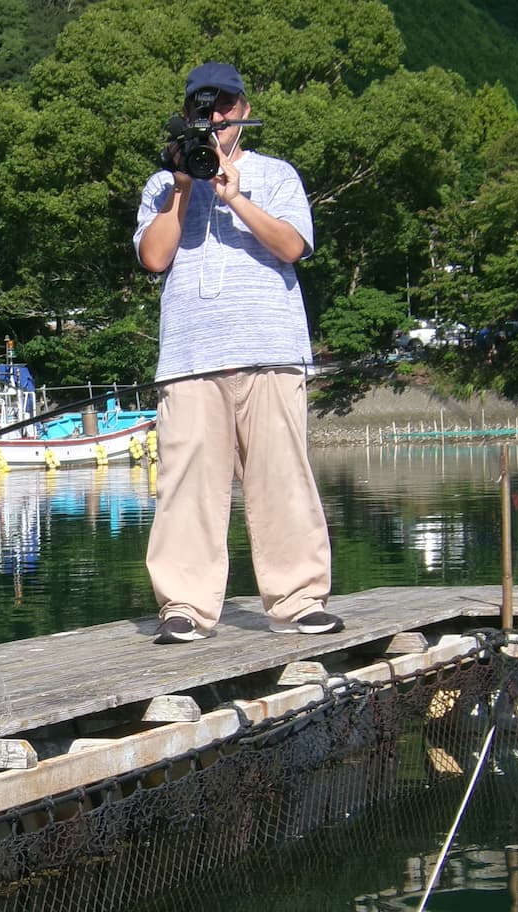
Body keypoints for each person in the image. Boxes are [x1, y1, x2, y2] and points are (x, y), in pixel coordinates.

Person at [134, 61, 343, 644]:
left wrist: (235, 196)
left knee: (283, 479)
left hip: (271, 350)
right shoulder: (161, 183)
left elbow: (293, 246)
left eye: (226, 105)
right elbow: (154, 257)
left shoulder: (276, 175)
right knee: (187, 485)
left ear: (245, 111)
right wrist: (182, 186)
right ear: (188, 115)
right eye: (204, 107)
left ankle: (300, 600)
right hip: (190, 358)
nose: (216, 116)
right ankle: (185, 606)